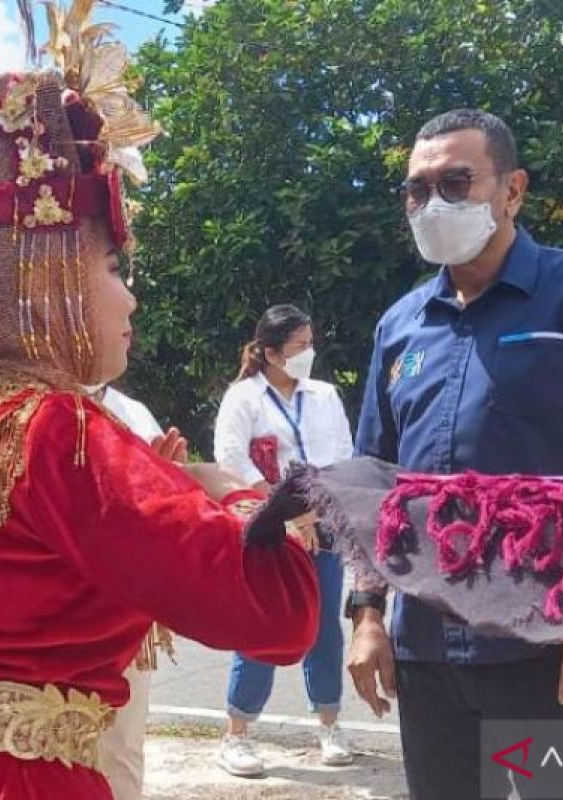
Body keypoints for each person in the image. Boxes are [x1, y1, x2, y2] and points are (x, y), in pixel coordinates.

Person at [0, 8, 320, 798]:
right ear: (46, 278)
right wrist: (228, 497)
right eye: (109, 268)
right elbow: (281, 617)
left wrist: (152, 488)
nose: (128, 302)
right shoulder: (56, 428)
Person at [347, 109, 563, 800]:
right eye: (417, 189)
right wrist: (366, 617)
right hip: (428, 652)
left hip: (556, 650)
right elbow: (372, 488)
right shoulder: (401, 325)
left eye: (455, 182)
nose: (432, 203)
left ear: (513, 190)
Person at [212, 304, 356, 776]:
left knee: (325, 626)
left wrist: (320, 513)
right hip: (272, 530)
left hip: (326, 524)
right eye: (299, 347)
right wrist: (292, 516)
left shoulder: (325, 396)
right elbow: (232, 460)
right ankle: (238, 733)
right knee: (264, 622)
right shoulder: (244, 398)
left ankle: (330, 724)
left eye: (311, 344)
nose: (308, 354)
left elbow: (342, 457)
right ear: (271, 353)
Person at [96, 384, 183, 800]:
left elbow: (164, 507)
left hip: (126, 610)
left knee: (122, 743)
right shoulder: (29, 406)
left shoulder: (131, 411)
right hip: (50, 616)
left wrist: (165, 481)